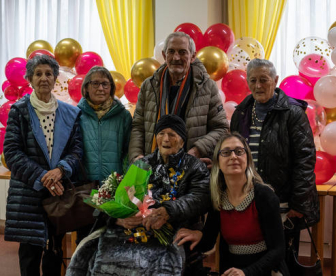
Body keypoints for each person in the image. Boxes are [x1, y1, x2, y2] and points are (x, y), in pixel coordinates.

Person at [67, 114, 211, 276]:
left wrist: (167, 211)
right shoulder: (142, 164)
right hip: (129, 230)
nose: (166, 139)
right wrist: (119, 218)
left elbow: (200, 198)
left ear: (182, 141)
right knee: (100, 257)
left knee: (155, 265)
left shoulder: (195, 167)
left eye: (172, 135)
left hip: (169, 230)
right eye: (162, 133)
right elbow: (121, 196)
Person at [230, 58, 319, 272]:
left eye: (264, 80)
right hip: (248, 200)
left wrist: (298, 204)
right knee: (255, 260)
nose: (258, 85)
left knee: (281, 261)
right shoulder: (241, 112)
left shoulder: (293, 113)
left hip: (284, 203)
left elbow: (305, 160)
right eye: (253, 80)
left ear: (275, 80)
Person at [3, 55, 83, 276]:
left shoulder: (69, 113)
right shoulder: (19, 111)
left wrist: (60, 170)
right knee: (29, 254)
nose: (44, 78)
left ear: (56, 78)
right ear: (30, 78)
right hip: (28, 193)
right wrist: (43, 177)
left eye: (49, 73)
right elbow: (11, 153)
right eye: (38, 74)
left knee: (54, 252)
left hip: (58, 192)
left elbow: (77, 152)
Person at [175, 133, 289, 276]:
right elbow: (208, 242)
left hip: (265, 270)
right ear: (218, 162)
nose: (233, 156)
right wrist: (198, 235)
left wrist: (246, 273)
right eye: (226, 152)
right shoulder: (218, 197)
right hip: (231, 270)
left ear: (247, 158)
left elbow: (278, 250)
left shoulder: (264, 196)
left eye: (239, 151)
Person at [128, 32, 228, 167]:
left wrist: (197, 151)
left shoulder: (207, 86)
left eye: (182, 52)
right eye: (171, 52)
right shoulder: (149, 85)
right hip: (153, 167)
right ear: (164, 55)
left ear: (193, 56)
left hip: (190, 168)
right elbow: (138, 126)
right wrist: (137, 156)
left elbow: (221, 128)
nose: (176, 57)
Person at [78, 66, 132, 182]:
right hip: (85, 186)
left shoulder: (123, 116)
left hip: (115, 185)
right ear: (86, 87)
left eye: (105, 84)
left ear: (111, 88)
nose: (101, 88)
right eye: (95, 83)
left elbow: (129, 152)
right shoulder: (77, 115)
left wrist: (125, 179)